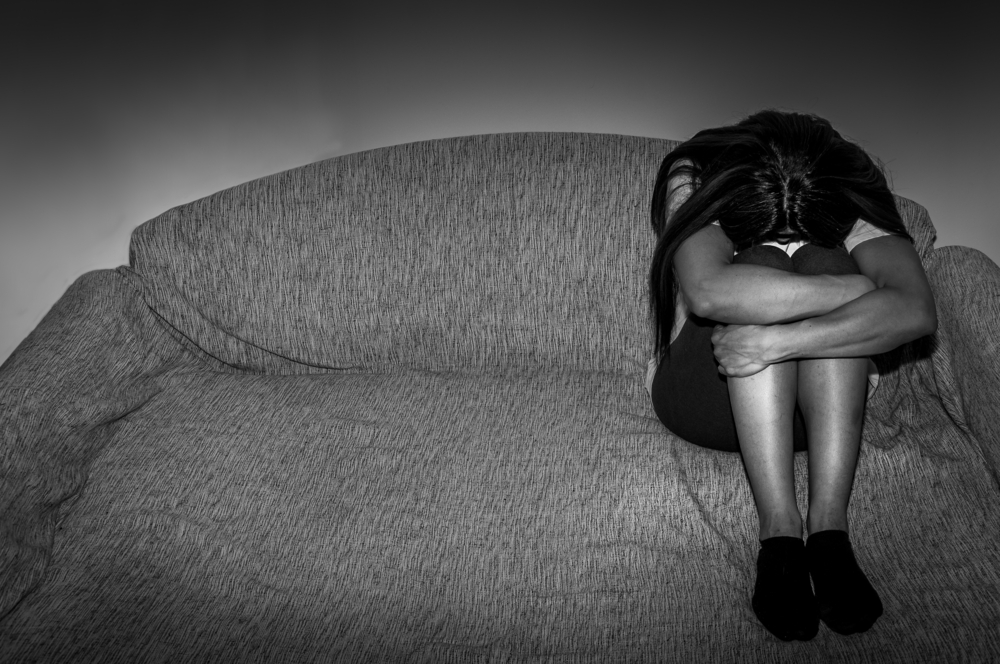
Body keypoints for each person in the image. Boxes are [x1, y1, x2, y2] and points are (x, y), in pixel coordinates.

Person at [646, 110, 936, 641]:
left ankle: (829, 530)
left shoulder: (846, 178)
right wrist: (856, 292)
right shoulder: (697, 171)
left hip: (823, 412)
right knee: (764, 264)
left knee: (826, 258)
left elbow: (916, 311)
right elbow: (712, 290)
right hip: (708, 386)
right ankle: (778, 532)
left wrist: (780, 340)